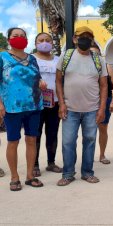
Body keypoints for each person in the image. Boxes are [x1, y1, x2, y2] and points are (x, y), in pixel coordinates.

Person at [56, 26, 107, 186]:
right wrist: (62, 103)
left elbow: (104, 85)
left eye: (88, 36)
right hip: (70, 109)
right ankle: (68, 173)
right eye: (81, 36)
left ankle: (87, 172)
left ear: (91, 40)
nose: (84, 39)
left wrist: (101, 109)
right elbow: (58, 80)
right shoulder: (65, 56)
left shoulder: (99, 60)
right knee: (68, 142)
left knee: (90, 140)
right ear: (74, 39)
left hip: (92, 109)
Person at [0, 27, 46, 191]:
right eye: (15, 36)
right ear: (9, 38)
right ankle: (14, 177)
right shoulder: (2, 57)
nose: (19, 38)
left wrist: (41, 83)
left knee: (32, 140)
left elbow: (37, 77)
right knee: (13, 141)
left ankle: (30, 176)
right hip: (12, 107)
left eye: (22, 36)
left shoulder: (32, 59)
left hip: (34, 105)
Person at [32, 32, 62, 177]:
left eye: (48, 40)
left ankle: (51, 162)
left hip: (54, 103)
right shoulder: (31, 59)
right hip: (36, 104)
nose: (44, 42)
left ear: (52, 43)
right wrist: (36, 83)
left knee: (52, 134)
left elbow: (62, 81)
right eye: (41, 40)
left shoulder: (58, 60)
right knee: (35, 134)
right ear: (35, 43)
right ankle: (34, 164)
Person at [90, 44, 113, 165]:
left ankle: (102, 155)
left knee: (103, 128)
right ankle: (88, 156)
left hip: (104, 101)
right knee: (88, 131)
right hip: (88, 102)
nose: (94, 56)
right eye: (92, 53)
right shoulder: (83, 68)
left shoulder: (107, 67)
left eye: (97, 53)